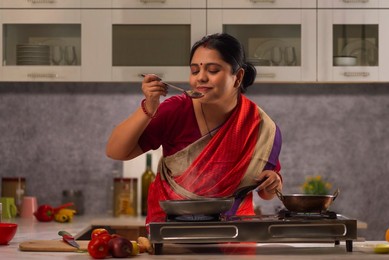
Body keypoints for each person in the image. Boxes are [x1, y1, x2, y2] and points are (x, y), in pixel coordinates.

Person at [106, 33, 282, 225]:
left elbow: (266, 193)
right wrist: (149, 107)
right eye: (194, 70)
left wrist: (273, 182)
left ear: (238, 76)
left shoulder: (259, 126)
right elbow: (116, 151)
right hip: (173, 230)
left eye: (213, 70)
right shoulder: (176, 111)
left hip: (233, 233)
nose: (201, 78)